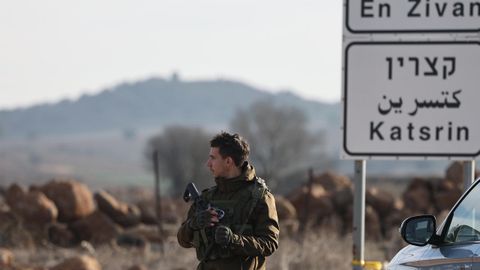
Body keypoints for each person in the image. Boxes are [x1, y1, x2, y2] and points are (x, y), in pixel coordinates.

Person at [177, 131, 280, 270]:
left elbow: (270, 243)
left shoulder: (259, 197)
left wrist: (234, 240)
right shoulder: (207, 198)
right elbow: (182, 241)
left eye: (213, 158)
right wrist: (193, 224)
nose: (208, 164)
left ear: (228, 161)